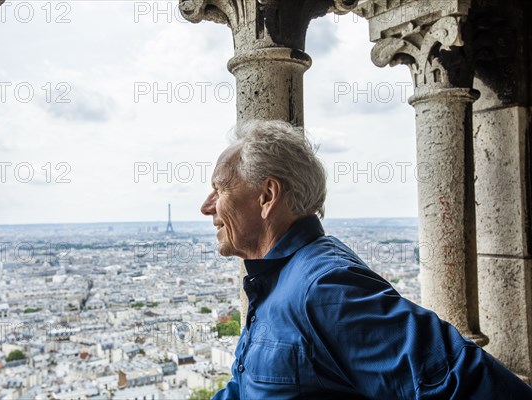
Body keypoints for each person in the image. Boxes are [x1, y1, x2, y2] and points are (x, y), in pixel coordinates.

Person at [200, 119, 532, 399]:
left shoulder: (325, 287)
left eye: (221, 188)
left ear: (267, 196)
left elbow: (472, 385)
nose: (207, 206)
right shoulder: (277, 280)